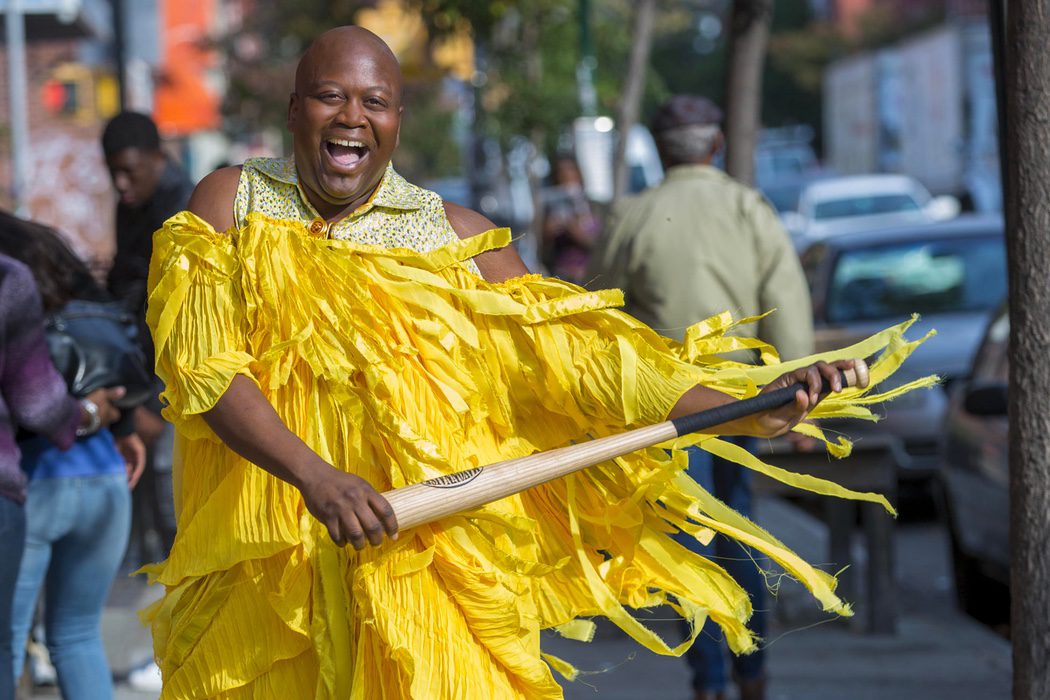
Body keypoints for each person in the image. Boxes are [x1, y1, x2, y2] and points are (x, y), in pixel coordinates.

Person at [141, 26, 925, 698]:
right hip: (270, 579)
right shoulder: (231, 204)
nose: (352, 118)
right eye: (329, 97)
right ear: (293, 110)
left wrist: (745, 401)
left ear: (397, 122)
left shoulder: (452, 236)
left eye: (373, 102)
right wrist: (315, 476)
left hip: (430, 572)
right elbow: (204, 367)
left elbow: (582, 358)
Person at [588, 95, 815, 700]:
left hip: (669, 407)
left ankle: (709, 681)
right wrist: (798, 402)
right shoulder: (748, 207)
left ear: (663, 152)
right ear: (714, 146)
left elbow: (594, 312)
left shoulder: (633, 214)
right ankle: (753, 672)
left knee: (690, 542)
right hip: (745, 402)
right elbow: (786, 303)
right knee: (739, 535)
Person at [0, 213, 144, 700]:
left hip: (36, 481)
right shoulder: (81, 301)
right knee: (79, 636)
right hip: (106, 479)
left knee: (9, 641)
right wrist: (121, 428)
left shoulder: (17, 297)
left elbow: (35, 405)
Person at [102, 111, 193, 569]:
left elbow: (186, 315)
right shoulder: (132, 204)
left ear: (158, 158)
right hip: (142, 376)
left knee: (172, 500)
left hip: (177, 388)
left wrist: (157, 400)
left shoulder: (185, 207)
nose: (120, 183)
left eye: (129, 171)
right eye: (112, 171)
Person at [540, 155, 600, 284]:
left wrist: (573, 229)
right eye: (561, 173)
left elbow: (599, 243)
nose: (566, 177)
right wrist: (548, 231)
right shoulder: (550, 206)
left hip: (589, 274)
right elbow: (541, 245)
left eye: (570, 171)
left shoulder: (593, 205)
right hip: (561, 275)